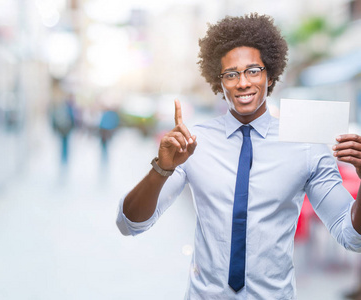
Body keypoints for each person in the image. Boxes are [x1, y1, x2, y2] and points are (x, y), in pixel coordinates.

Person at [116, 13, 361, 299]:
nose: (243, 82)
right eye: (231, 74)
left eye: (253, 70)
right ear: (218, 82)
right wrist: (161, 169)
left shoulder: (305, 144)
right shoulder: (194, 143)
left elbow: (352, 235)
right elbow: (128, 224)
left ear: (270, 74)